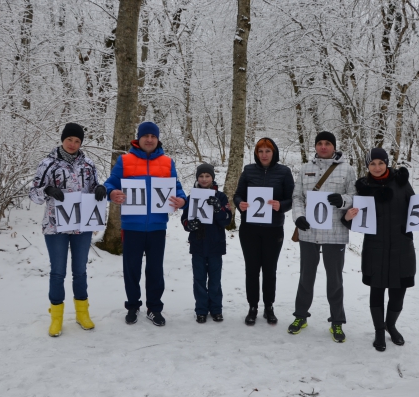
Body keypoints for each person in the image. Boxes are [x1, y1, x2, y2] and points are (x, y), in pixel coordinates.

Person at [342, 148, 419, 351]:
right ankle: (379, 330)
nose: (377, 167)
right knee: (376, 291)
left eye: (380, 163)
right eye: (372, 164)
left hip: (401, 247)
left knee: (398, 292)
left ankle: (391, 326)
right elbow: (358, 222)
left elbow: (417, 213)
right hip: (375, 248)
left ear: (387, 163)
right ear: (367, 166)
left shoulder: (402, 183)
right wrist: (348, 219)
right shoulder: (363, 187)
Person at [104, 121, 186, 327]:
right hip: (132, 226)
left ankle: (154, 308)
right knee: (131, 268)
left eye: (153, 136)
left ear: (158, 139)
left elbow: (176, 187)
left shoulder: (168, 162)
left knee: (155, 269)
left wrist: (182, 200)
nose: (149, 139)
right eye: (145, 136)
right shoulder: (125, 160)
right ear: (138, 138)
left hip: (158, 225)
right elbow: (110, 184)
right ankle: (132, 306)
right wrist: (111, 193)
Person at [30, 123, 107, 337]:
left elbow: (94, 188)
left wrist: (100, 189)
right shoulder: (48, 163)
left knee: (80, 271)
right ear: (62, 139)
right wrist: (48, 190)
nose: (73, 144)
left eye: (77, 141)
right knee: (58, 272)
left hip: (82, 225)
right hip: (56, 226)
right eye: (69, 139)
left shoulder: (88, 164)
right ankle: (56, 317)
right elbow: (33, 194)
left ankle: (82, 313)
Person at [288, 131, 357, 343]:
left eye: (328, 143)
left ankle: (337, 321)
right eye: (320, 143)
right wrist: (298, 217)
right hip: (309, 232)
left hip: (335, 233)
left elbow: (355, 196)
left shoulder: (347, 169)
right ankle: (301, 316)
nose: (324, 147)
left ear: (334, 147)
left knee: (334, 280)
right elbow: (297, 196)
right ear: (315, 146)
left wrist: (343, 200)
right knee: (306, 277)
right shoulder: (306, 169)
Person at [234, 137, 294, 325]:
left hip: (273, 229)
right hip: (249, 229)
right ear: (256, 153)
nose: (264, 155)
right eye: (261, 151)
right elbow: (238, 195)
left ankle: (269, 306)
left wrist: (280, 205)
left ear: (274, 152)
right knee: (251, 269)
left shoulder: (284, 172)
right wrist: (239, 204)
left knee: (270, 270)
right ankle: (252, 306)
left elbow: (292, 199)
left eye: (268, 151)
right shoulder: (248, 170)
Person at [181, 164, 232, 323]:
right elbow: (184, 219)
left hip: (216, 244)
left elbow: (227, 220)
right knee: (199, 278)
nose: (204, 179)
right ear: (197, 178)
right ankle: (201, 309)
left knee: (215, 279)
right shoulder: (191, 197)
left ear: (212, 178)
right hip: (197, 244)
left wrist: (218, 209)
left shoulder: (221, 197)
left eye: (207, 176)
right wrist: (189, 225)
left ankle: (216, 309)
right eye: (201, 176)